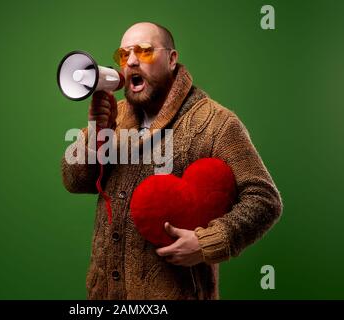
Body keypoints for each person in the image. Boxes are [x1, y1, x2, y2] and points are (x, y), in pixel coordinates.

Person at [61, 22, 282, 300]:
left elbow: (264, 198)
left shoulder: (217, 123)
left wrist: (206, 243)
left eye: (145, 51)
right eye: (123, 54)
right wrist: (95, 133)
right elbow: (74, 181)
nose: (131, 61)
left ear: (172, 59)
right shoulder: (113, 117)